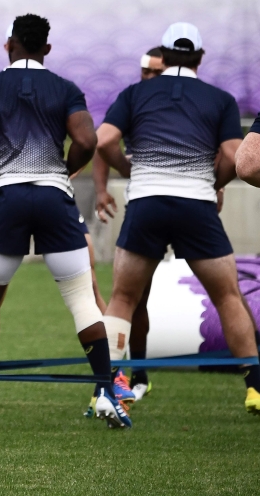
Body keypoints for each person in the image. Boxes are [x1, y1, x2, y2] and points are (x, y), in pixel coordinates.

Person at [0, 13, 130, 429]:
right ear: (47, 49)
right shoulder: (64, 88)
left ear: (9, 44)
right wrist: (65, 169)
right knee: (82, 298)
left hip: (7, 195)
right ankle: (104, 390)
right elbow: (87, 140)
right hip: (53, 197)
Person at [99, 22, 260, 415]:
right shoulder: (218, 99)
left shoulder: (135, 93)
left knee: (123, 297)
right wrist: (211, 181)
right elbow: (235, 157)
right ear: (200, 58)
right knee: (227, 297)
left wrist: (129, 170)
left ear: (163, 57)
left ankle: (106, 389)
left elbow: (103, 140)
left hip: (147, 203)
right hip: (196, 207)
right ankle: (256, 388)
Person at [91, 47, 165, 403]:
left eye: (155, 72)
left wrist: (217, 184)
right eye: (144, 71)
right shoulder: (134, 100)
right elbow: (102, 142)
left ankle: (252, 381)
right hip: (146, 207)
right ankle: (134, 374)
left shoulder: (187, 101)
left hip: (188, 207)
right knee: (135, 295)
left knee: (224, 290)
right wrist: (103, 188)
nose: (148, 77)